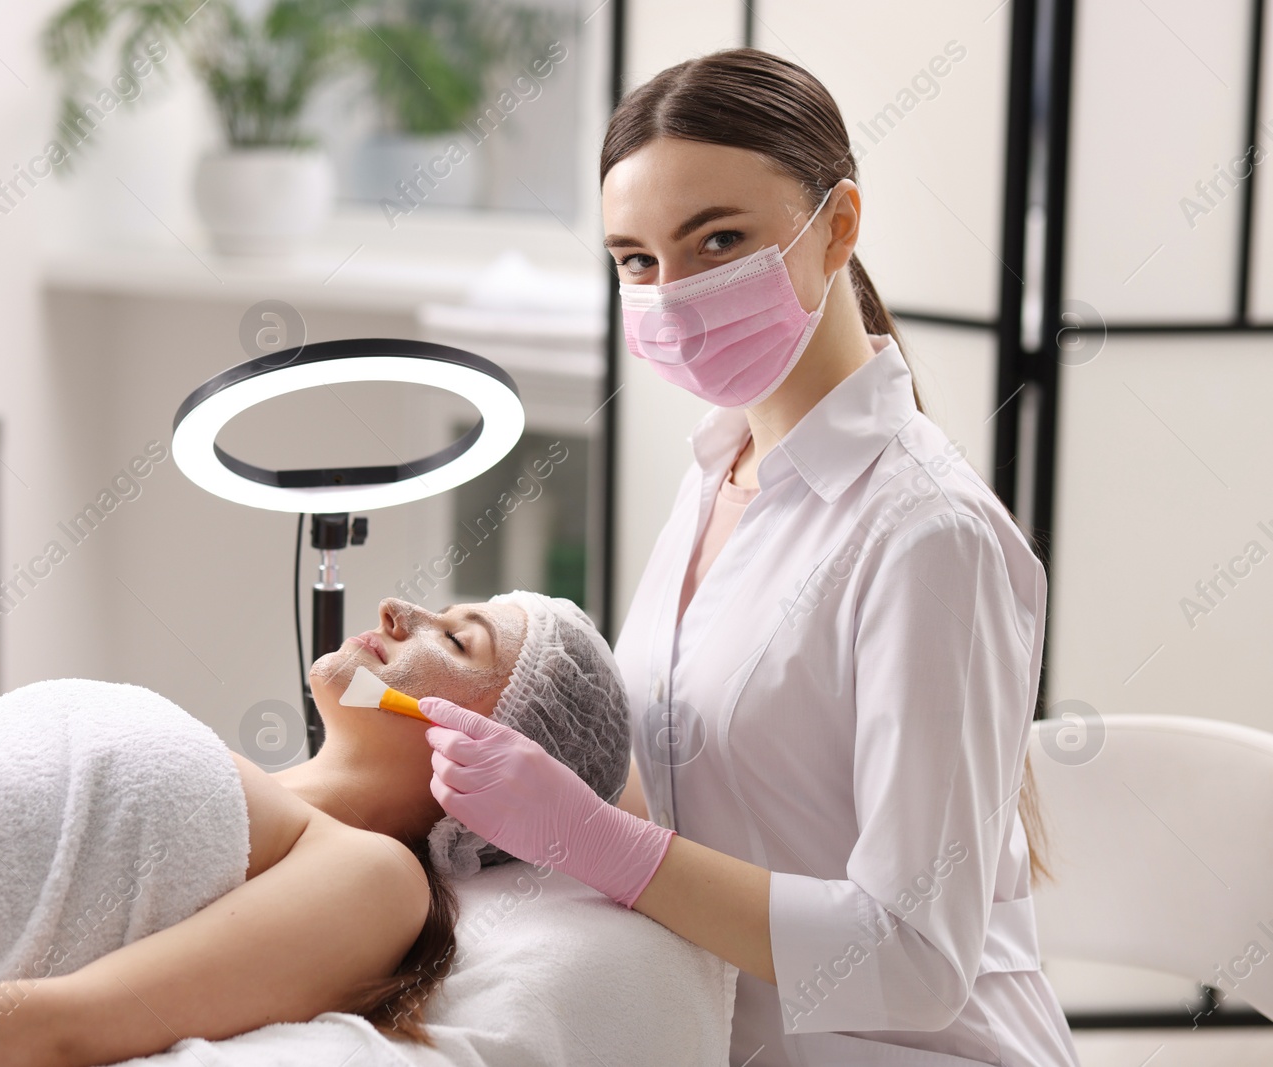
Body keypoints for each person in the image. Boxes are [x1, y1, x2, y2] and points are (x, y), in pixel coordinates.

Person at [421, 48, 1082, 1066]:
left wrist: (595, 838)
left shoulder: (928, 535)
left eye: (718, 240)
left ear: (839, 227)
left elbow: (917, 954)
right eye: (637, 261)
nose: (672, 295)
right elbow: (704, 798)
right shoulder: (715, 472)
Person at [0, 591, 630, 1066]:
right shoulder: (251, 786)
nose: (399, 608)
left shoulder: (372, 878)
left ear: (491, 763)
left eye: (458, 639)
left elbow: (62, 1027)